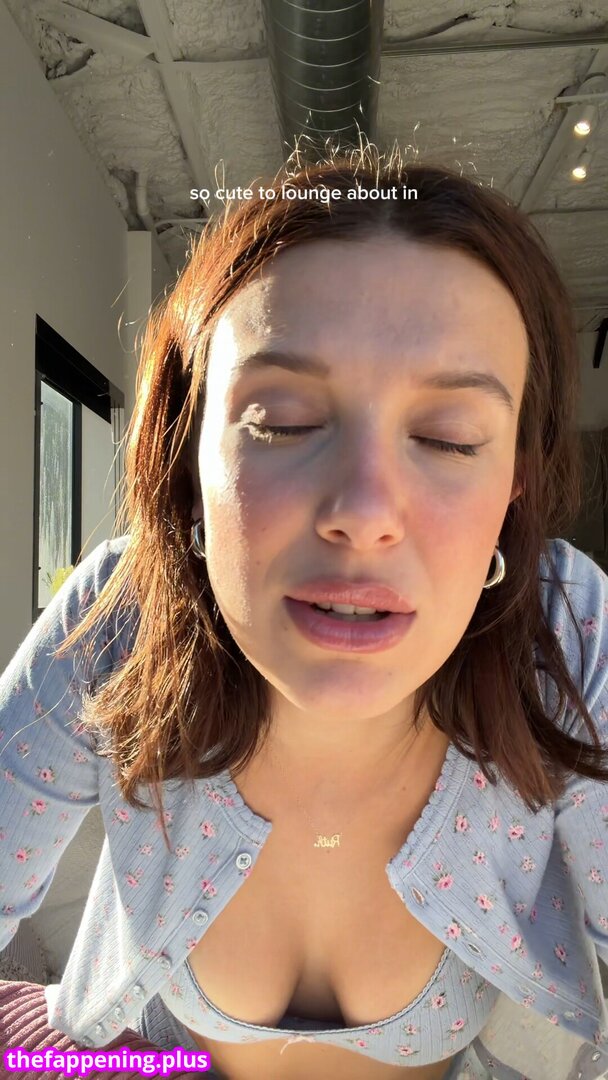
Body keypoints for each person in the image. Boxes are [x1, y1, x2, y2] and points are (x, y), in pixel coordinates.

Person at [1, 140, 608, 1080]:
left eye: (450, 438)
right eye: (281, 422)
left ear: (515, 484)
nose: (363, 511)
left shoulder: (563, 631)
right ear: (184, 456)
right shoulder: (123, 617)